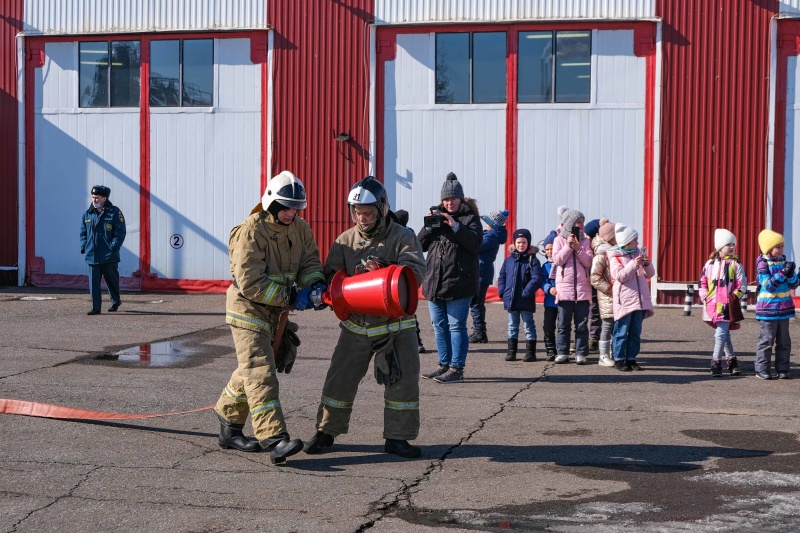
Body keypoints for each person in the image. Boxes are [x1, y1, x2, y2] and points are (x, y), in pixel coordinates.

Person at [304, 176, 426, 458]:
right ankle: (326, 433)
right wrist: (319, 291)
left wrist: (384, 270)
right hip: (356, 327)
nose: (362, 218)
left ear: (382, 209)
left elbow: (415, 272)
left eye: (368, 213)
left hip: (396, 328)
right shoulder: (344, 241)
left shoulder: (403, 237)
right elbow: (331, 275)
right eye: (357, 212)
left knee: (403, 383)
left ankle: (398, 439)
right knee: (339, 382)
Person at [214, 170, 326, 464]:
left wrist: (315, 285)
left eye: (296, 208)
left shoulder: (299, 228)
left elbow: (310, 261)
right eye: (286, 207)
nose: (292, 213)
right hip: (248, 310)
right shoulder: (250, 230)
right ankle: (274, 438)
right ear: (271, 203)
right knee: (261, 371)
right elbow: (249, 281)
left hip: (276, 313)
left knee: (251, 369)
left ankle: (229, 424)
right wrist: (290, 296)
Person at [418, 172, 483, 384]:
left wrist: (455, 226)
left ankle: (457, 368)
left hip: (459, 283)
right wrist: (429, 225)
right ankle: (443, 364)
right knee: (439, 326)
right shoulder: (436, 218)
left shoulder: (470, 219)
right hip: (435, 282)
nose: (449, 202)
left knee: (456, 326)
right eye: (446, 199)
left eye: (453, 199)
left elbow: (474, 244)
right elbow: (419, 245)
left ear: (461, 199)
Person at [698, 228, 747, 377]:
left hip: (727, 306)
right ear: (720, 247)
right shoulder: (710, 264)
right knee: (724, 334)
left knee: (720, 335)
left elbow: (742, 285)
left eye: (733, 244)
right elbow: (702, 282)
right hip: (712, 305)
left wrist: (733, 297)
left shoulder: (736, 265)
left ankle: (716, 362)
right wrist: (705, 296)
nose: (732, 247)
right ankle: (732, 362)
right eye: (728, 244)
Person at [608, 223, 655, 372]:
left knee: (635, 331)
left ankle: (631, 358)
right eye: (635, 240)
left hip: (639, 300)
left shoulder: (638, 253)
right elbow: (620, 276)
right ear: (627, 241)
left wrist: (647, 264)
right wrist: (634, 265)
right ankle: (619, 359)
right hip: (625, 301)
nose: (638, 242)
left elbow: (651, 274)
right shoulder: (615, 257)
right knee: (621, 331)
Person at [753, 229, 799, 380]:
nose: (781, 250)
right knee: (766, 341)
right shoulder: (762, 263)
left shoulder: (784, 262)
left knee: (784, 341)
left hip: (784, 309)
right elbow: (768, 285)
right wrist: (783, 273)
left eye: (782, 246)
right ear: (768, 249)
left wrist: (793, 275)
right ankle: (761, 369)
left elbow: (793, 285)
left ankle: (783, 369)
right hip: (768, 309)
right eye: (777, 247)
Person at [551, 207, 594, 364]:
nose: (581, 225)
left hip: (582, 289)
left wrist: (578, 249)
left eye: (582, 222)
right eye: (578, 222)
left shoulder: (586, 241)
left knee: (582, 325)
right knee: (563, 324)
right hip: (565, 290)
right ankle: (562, 352)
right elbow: (558, 260)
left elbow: (588, 262)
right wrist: (569, 246)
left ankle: (581, 353)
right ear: (569, 223)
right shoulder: (558, 240)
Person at [80, 185, 126, 315]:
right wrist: (84, 246)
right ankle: (96, 308)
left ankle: (115, 301)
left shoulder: (114, 212)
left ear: (104, 198)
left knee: (112, 281)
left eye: (97, 198)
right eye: (93, 197)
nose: (94, 200)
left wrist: (113, 247)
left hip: (108, 255)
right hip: (92, 254)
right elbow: (83, 232)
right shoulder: (88, 214)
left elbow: (120, 232)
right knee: (94, 284)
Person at [498, 228, 542, 362]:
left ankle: (530, 352)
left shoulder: (533, 260)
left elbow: (537, 278)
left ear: (528, 243)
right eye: (518, 242)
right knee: (512, 325)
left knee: (528, 325)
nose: (521, 245)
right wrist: (502, 291)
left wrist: (527, 291)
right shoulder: (509, 260)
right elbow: (502, 276)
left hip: (525, 299)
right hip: (511, 299)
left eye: (524, 242)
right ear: (514, 243)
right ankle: (511, 352)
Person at [469, 209, 509, 344]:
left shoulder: (490, 236)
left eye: (487, 222)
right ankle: (479, 330)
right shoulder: (492, 235)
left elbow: (475, 246)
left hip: (481, 272)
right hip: (482, 272)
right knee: (477, 302)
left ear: (493, 223)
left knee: (476, 302)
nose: (485, 225)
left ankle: (479, 331)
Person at [396, 209, 427, 354]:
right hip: (406, 278)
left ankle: (415, 342)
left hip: (399, 277)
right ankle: (417, 341)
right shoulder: (410, 232)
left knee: (405, 312)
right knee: (410, 312)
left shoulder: (400, 234)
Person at [590, 218, 617, 367]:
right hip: (607, 296)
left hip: (617, 296)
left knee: (616, 326)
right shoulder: (601, 255)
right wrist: (609, 288)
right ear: (609, 238)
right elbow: (594, 278)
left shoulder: (615, 253)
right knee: (607, 325)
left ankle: (615, 353)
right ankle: (603, 355)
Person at [583, 218, 602, 354]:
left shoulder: (601, 250)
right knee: (590, 312)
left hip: (599, 285)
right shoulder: (587, 247)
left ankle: (594, 338)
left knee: (596, 312)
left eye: (587, 235)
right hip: (588, 284)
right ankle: (590, 338)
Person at [540, 231, 559, 361]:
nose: (549, 251)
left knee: (564, 326)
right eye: (547, 249)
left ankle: (562, 349)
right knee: (548, 326)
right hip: (550, 301)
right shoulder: (545, 266)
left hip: (563, 300)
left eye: (552, 248)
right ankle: (550, 349)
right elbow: (542, 281)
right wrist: (548, 288)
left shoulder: (563, 264)